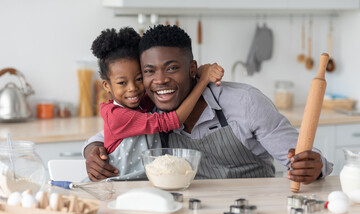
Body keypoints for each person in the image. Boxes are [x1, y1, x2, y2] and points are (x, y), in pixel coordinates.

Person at [84, 24, 333, 183]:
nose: (160, 80)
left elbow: (300, 156)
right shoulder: (150, 106)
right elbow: (110, 131)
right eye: (149, 72)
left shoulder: (245, 103)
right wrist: (93, 151)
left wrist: (314, 167)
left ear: (193, 68)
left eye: (172, 68)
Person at [90, 27, 224, 180]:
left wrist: (195, 73)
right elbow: (172, 121)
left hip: (147, 184)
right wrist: (202, 82)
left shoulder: (140, 104)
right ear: (107, 86)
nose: (133, 88)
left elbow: (164, 93)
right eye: (122, 82)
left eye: (139, 79)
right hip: (119, 185)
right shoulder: (116, 115)